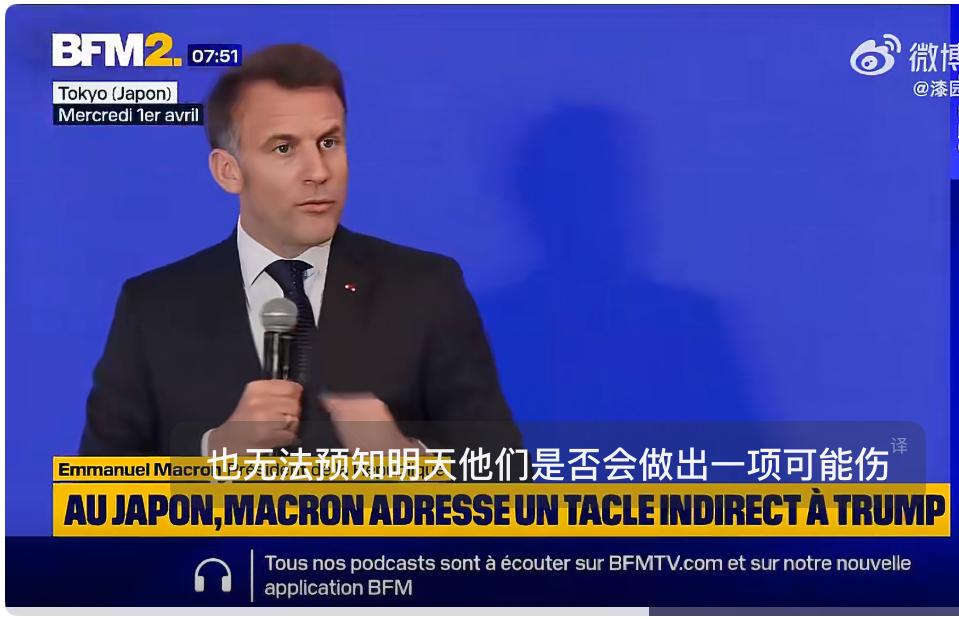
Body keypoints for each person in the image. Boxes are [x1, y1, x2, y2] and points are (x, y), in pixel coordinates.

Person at [79, 43, 522, 456]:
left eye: (329, 142)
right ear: (229, 171)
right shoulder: (153, 308)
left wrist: (409, 463)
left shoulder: (426, 290)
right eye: (284, 148)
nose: (318, 171)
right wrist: (215, 452)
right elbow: (95, 496)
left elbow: (508, 476)